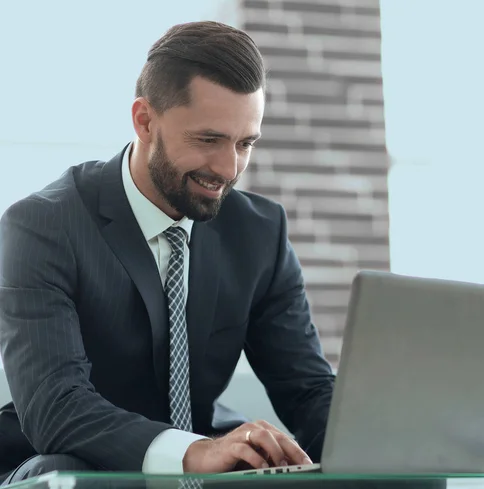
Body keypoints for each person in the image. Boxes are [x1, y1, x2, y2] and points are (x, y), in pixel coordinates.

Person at [0, 21, 335, 484]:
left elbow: (308, 390)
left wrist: (392, 445)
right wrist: (194, 452)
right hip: (65, 461)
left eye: (245, 144)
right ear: (144, 120)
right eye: (208, 140)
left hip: (208, 452)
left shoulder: (260, 233)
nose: (228, 169)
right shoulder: (43, 226)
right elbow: (56, 406)